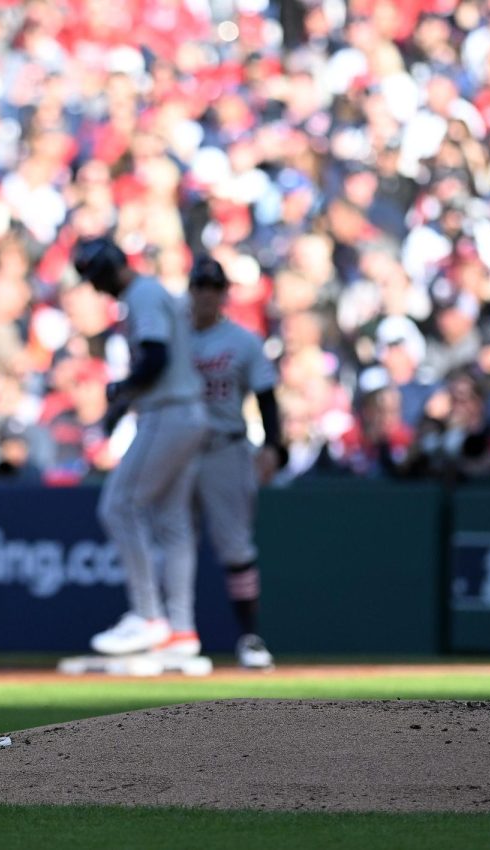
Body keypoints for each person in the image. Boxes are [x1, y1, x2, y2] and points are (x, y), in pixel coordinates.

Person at [72, 236, 209, 657]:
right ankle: (181, 631)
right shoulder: (150, 292)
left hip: (168, 412)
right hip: (187, 412)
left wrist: (123, 388)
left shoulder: (143, 293)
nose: (98, 288)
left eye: (98, 279)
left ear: (112, 269)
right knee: (172, 522)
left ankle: (148, 616)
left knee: (118, 506)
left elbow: (154, 358)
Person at [189, 256, 285, 669]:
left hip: (225, 449)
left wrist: (275, 446)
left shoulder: (243, 341)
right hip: (177, 451)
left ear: (224, 294)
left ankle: (250, 637)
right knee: (171, 545)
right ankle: (172, 635)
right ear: (192, 291)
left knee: (236, 545)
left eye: (215, 288)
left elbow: (266, 396)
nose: (208, 294)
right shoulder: (173, 336)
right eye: (201, 287)